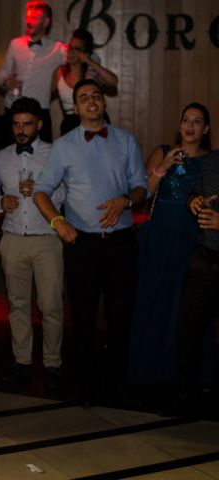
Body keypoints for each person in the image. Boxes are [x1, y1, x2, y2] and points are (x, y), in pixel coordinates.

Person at [33, 79, 147, 405]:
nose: (92, 101)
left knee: (120, 314)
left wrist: (124, 201)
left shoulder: (126, 141)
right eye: (84, 97)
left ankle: (119, 382)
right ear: (77, 107)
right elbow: (41, 192)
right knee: (82, 316)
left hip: (121, 243)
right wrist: (58, 222)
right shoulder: (64, 145)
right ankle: (86, 384)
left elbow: (142, 187)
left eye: (96, 96)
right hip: (81, 245)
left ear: (104, 103)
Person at [0, 97, 64, 388]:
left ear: (39, 124)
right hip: (13, 236)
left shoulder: (55, 153)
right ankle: (22, 361)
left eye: (27, 124)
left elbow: (65, 193)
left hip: (47, 238)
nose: (21, 129)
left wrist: (45, 195)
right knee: (17, 304)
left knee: (51, 305)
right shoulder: (2, 156)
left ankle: (53, 363)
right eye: (16, 124)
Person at [129, 103, 210, 389]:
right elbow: (143, 192)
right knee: (154, 299)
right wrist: (162, 168)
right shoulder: (163, 151)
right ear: (179, 125)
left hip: (192, 238)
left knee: (185, 305)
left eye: (197, 121)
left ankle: (183, 374)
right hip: (160, 234)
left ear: (206, 129)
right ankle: (148, 369)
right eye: (185, 120)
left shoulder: (211, 160)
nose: (190, 126)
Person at [177, 147, 219, 412]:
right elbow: (197, 191)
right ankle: (188, 394)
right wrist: (193, 200)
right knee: (189, 327)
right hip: (205, 255)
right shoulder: (211, 160)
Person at [0, 1, 65, 145]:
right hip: (13, 109)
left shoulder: (57, 48)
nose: (28, 21)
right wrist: (6, 82)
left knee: (43, 156)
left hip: (39, 112)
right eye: (27, 17)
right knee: (7, 153)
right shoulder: (15, 43)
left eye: (33, 18)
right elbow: (2, 74)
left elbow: (81, 57)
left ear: (46, 22)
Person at [52, 29, 118, 135]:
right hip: (70, 123)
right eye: (70, 47)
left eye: (77, 49)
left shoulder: (91, 72)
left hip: (95, 121)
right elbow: (45, 94)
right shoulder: (60, 72)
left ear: (86, 53)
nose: (71, 52)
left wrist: (89, 61)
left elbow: (113, 82)